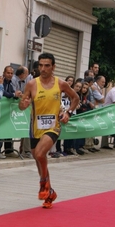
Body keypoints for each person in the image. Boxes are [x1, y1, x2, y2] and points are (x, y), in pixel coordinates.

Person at [18, 52, 79, 209]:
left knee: (39, 154)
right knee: (39, 160)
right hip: (35, 128)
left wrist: (68, 113)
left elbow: (76, 98)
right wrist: (23, 105)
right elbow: (22, 103)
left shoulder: (61, 84)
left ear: (53, 67)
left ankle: (43, 183)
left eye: (47, 65)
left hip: (53, 126)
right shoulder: (32, 84)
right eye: (41, 65)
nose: (43, 69)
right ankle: (49, 193)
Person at [2, 65, 22, 157]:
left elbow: (13, 93)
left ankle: (8, 150)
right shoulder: (0, 82)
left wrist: (17, 95)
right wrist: (14, 94)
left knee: (8, 129)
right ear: (4, 73)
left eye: (11, 73)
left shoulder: (12, 83)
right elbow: (3, 93)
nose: (10, 75)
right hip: (0, 110)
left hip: (8, 111)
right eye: (8, 73)